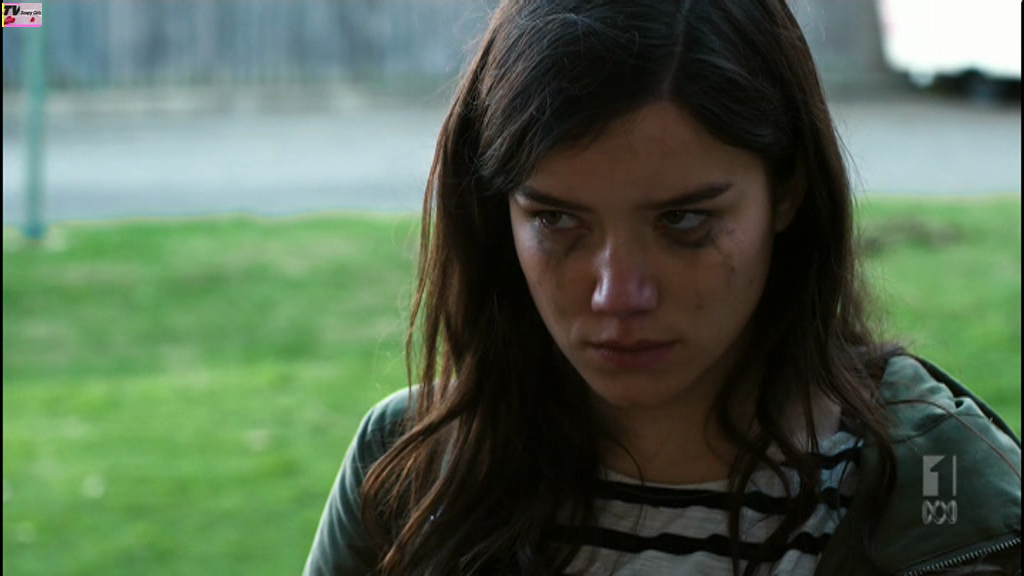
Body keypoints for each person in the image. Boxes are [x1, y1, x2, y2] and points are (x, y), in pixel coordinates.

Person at [303, 1, 1022, 574]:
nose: (617, 295)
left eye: (683, 221)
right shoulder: (407, 469)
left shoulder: (938, 486)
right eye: (556, 220)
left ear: (788, 190)